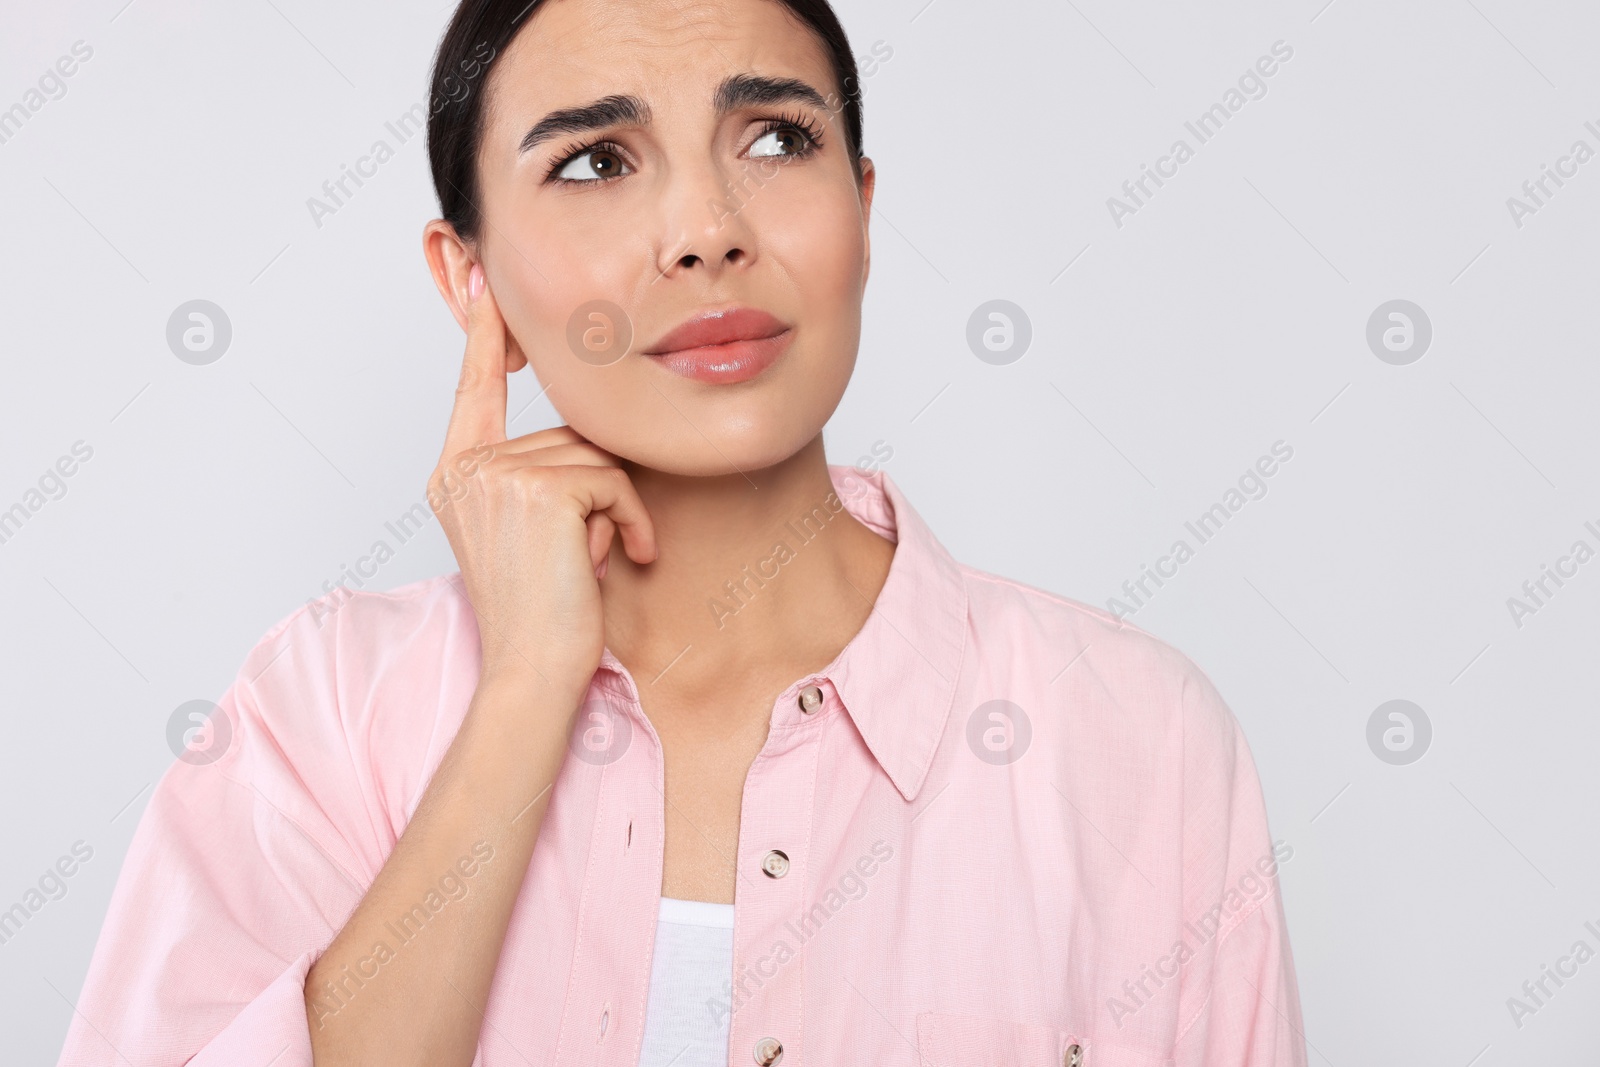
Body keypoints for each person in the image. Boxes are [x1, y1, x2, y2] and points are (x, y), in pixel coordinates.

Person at [56, 1, 1308, 1064]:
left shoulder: (1131, 737)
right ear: (468, 277)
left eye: (775, 138)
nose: (708, 230)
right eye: (596, 160)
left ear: (862, 213)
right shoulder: (322, 710)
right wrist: (528, 688)